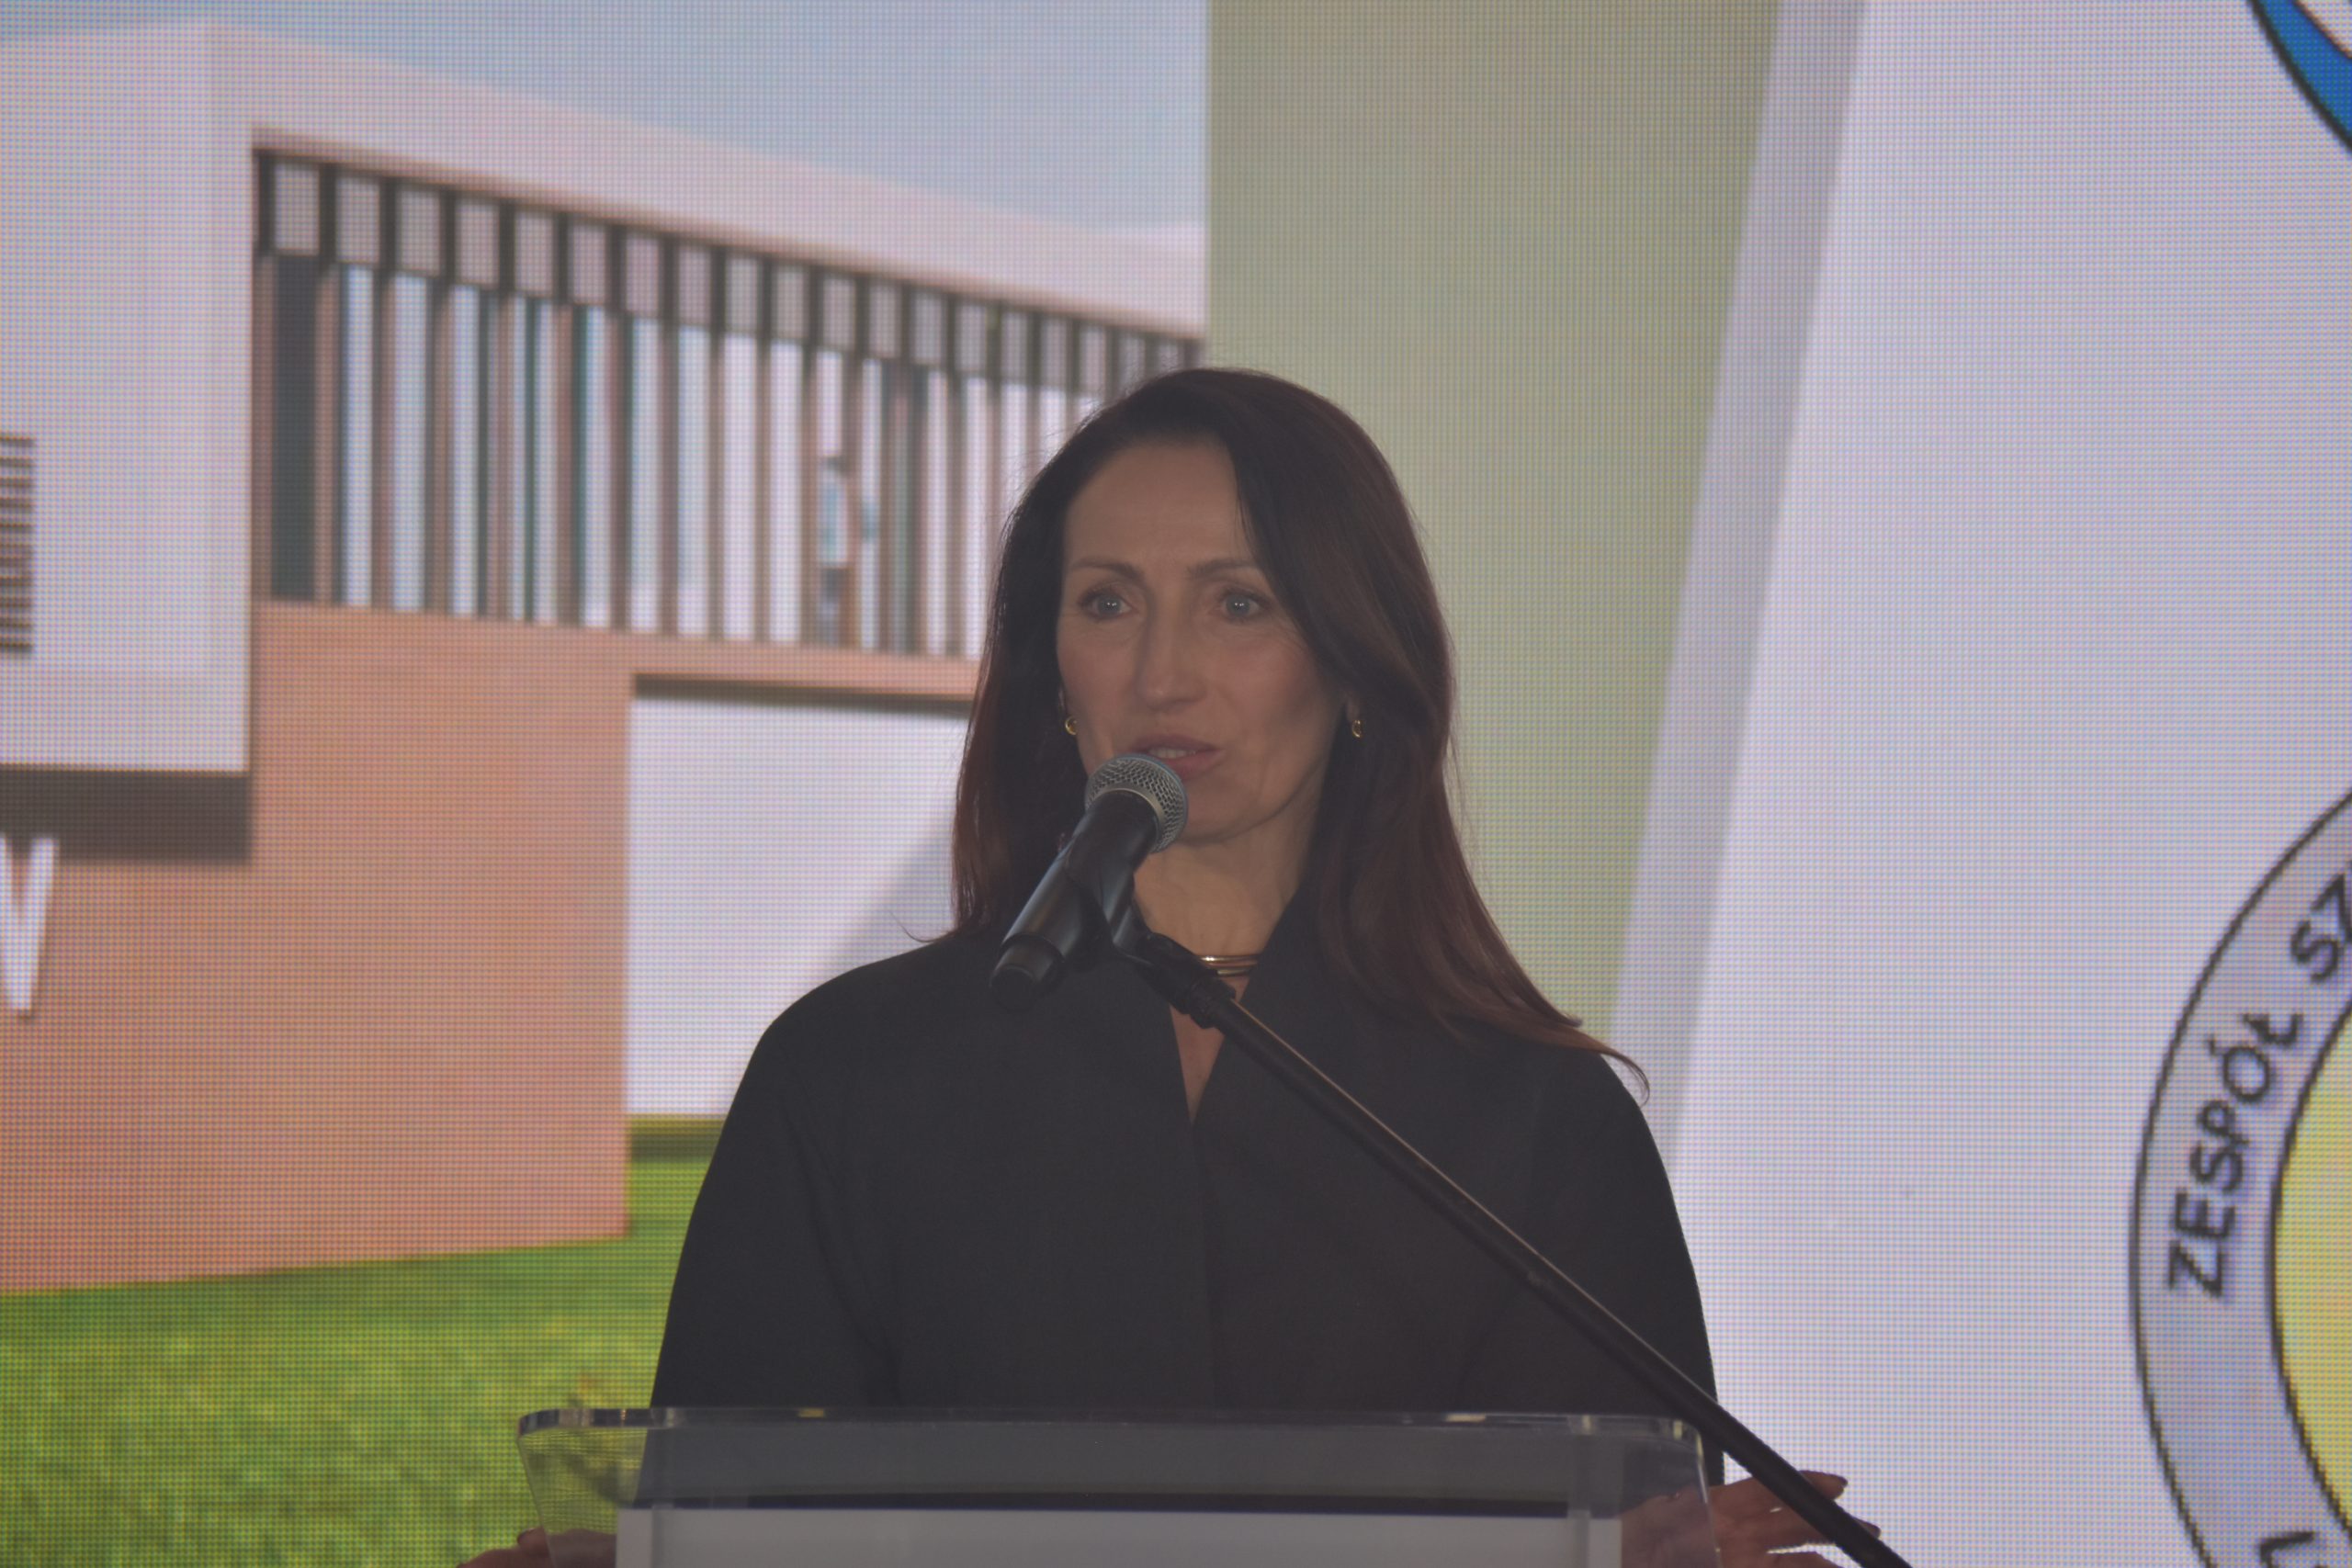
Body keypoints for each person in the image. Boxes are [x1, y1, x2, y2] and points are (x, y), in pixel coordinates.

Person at [464, 368, 1859, 1567]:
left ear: (1354, 662)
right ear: (1050, 669)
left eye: (1240, 604)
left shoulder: (1538, 1120)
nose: (1163, 674)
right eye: (1108, 603)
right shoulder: (852, 1074)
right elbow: (735, 1518)